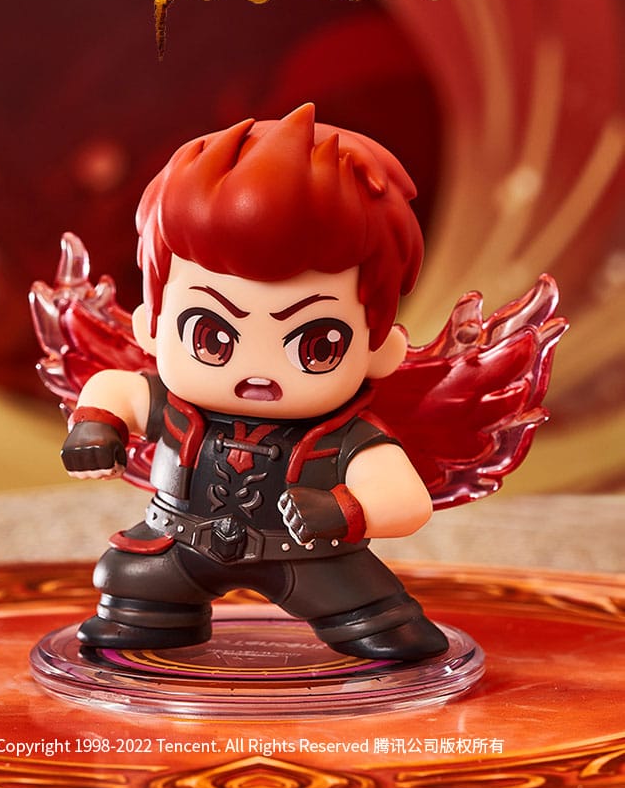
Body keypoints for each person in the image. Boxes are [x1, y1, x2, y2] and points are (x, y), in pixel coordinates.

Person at [60, 103, 451, 661]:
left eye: (316, 345)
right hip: (179, 545)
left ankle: (374, 631)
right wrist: (96, 426)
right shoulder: (174, 404)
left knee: (387, 629)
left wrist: (343, 510)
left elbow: (406, 502)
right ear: (152, 327)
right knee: (128, 582)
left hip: (311, 558)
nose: (257, 371)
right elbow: (113, 389)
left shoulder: (345, 438)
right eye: (212, 337)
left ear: (379, 350)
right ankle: (154, 620)